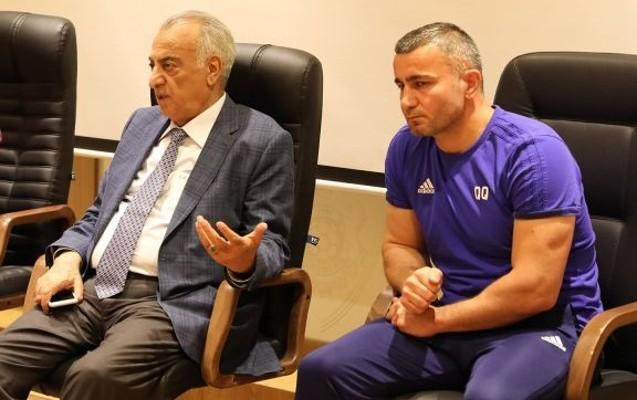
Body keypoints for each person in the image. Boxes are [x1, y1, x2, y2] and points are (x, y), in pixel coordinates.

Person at [295, 22, 602, 400]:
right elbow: (399, 244)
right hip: (444, 319)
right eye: (400, 85)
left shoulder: (534, 153)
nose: (406, 100)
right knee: (321, 369)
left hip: (538, 327)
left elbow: (535, 290)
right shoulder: (407, 147)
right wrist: (414, 280)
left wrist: (439, 321)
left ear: (469, 83)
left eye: (421, 84)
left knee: (490, 397)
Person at [0, 10, 293, 400]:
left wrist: (245, 260)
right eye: (152, 65)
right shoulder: (142, 123)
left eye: (168, 66)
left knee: (92, 377)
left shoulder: (262, 140)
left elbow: (274, 246)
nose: (154, 79)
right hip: (94, 288)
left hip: (175, 303)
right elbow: (97, 215)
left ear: (212, 69)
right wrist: (68, 257)